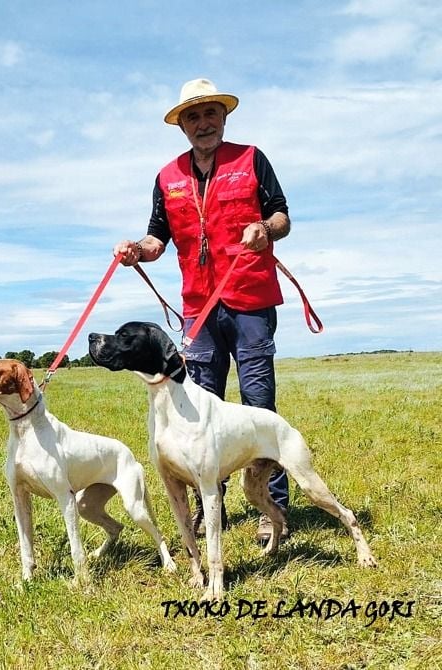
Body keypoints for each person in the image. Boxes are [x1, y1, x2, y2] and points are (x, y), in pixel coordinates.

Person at [114, 78, 291, 543]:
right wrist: (137, 250)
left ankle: (270, 506)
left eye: (210, 113)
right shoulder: (167, 177)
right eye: (192, 116)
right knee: (194, 409)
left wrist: (264, 228)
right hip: (198, 306)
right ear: (181, 126)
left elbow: (282, 217)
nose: (203, 123)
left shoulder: (251, 158)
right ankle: (208, 505)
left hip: (250, 298)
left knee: (258, 403)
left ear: (224, 116)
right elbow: (158, 239)